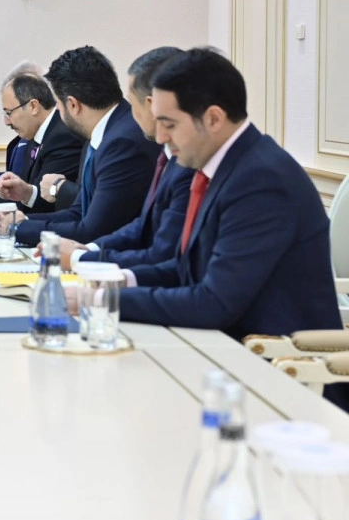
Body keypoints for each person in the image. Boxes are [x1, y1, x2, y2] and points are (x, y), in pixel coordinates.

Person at [117, 49, 341, 350]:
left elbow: (214, 303)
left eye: (169, 125)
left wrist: (105, 300)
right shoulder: (227, 166)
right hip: (227, 345)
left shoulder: (261, 180)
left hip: (278, 362)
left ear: (213, 118)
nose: (160, 138)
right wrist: (108, 283)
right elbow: (184, 270)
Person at [3, 46, 160, 246]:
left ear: (73, 105)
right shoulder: (100, 135)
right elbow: (79, 212)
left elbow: (92, 230)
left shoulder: (122, 143)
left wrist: (18, 229)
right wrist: (22, 221)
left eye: (58, 105)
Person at [55, 47, 194, 270]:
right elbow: (144, 225)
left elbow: (165, 256)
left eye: (133, 103)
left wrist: (81, 259)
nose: (130, 113)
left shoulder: (127, 142)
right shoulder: (170, 152)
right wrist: (88, 251)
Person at [0, 65, 83, 213]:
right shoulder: (36, 133)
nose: (7, 122)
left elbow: (41, 200)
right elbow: (18, 192)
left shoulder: (62, 136)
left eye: (9, 112)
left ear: (33, 106)